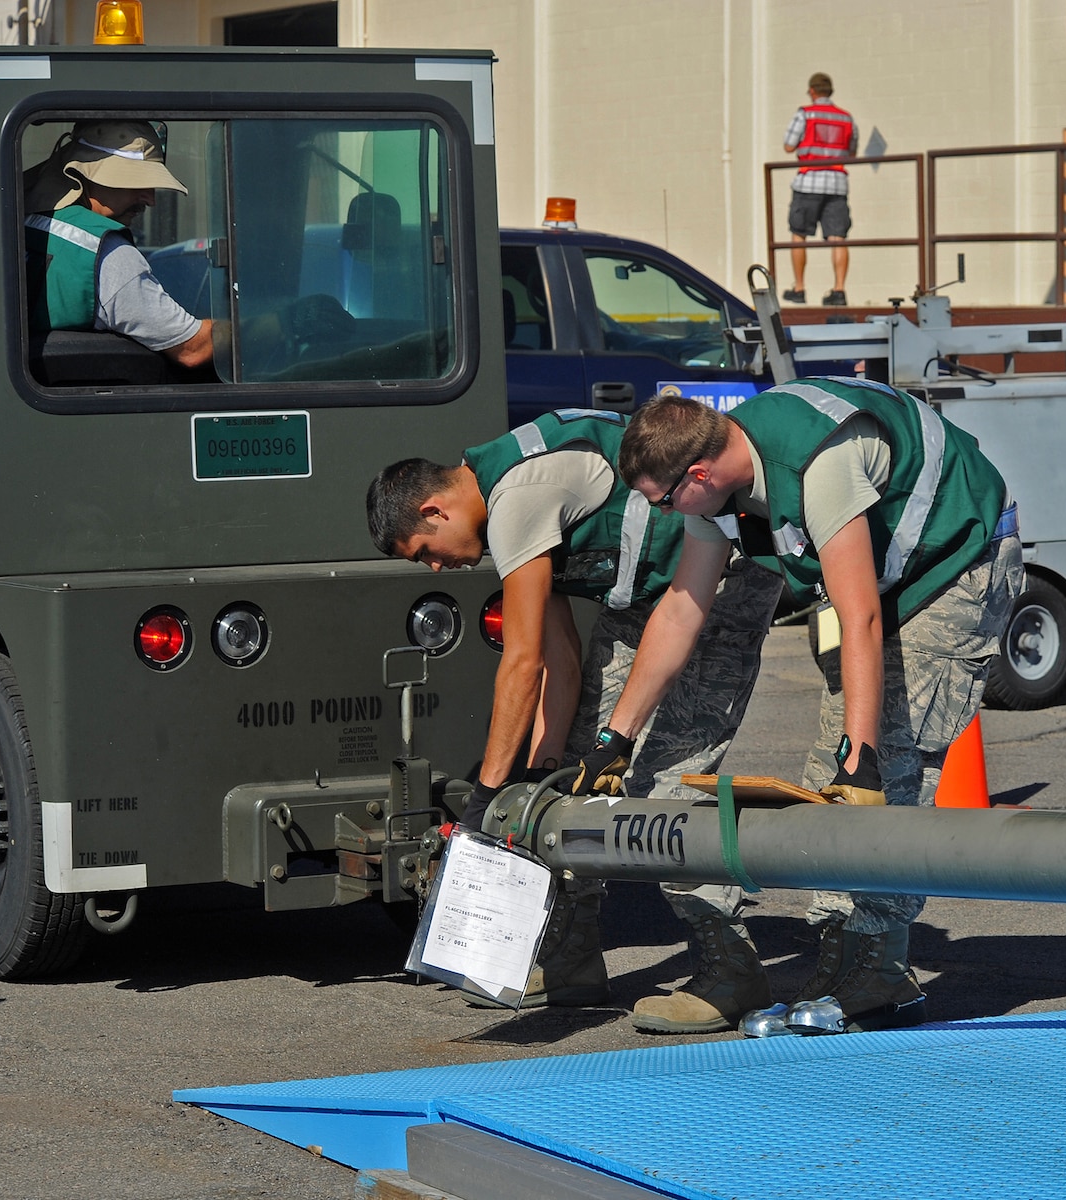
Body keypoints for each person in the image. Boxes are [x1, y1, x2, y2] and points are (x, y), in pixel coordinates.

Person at [570, 378, 1022, 1036]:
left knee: (883, 763)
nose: (664, 515)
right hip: (896, 574)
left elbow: (858, 614)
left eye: (663, 501)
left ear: (697, 474)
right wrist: (615, 738)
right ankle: (843, 964)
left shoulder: (819, 466)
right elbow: (681, 609)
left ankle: (877, 974)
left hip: (959, 560)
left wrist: (860, 759)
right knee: (826, 776)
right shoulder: (717, 483)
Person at [365, 410, 783, 1033]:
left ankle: (730, 965)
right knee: (567, 787)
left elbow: (523, 662)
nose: (434, 568)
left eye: (425, 553)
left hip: (713, 591)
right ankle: (572, 957)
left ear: (434, 511)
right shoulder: (508, 507)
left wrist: (484, 798)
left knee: (659, 793)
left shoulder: (517, 497)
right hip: (644, 604)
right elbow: (560, 661)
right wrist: (538, 774)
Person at [23, 120, 213, 370]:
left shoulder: (17, 221)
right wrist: (257, 324)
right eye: (136, 182)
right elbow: (193, 348)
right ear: (86, 174)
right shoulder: (107, 253)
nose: (150, 198)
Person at [782, 73, 858, 307]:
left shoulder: (805, 113)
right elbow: (852, 151)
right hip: (837, 184)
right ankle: (839, 290)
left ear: (812, 91)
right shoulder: (846, 118)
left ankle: (799, 288)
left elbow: (788, 145)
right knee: (838, 237)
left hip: (809, 181)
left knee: (799, 233)